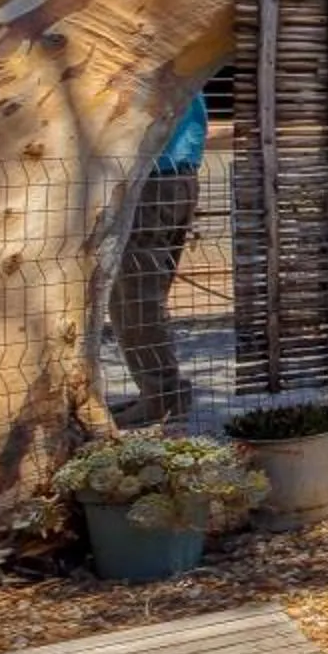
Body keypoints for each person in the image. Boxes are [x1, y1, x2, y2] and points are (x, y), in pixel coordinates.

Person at [110, 87, 207, 424]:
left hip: (152, 176)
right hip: (177, 174)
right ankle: (164, 392)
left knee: (135, 296)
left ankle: (160, 396)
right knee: (143, 294)